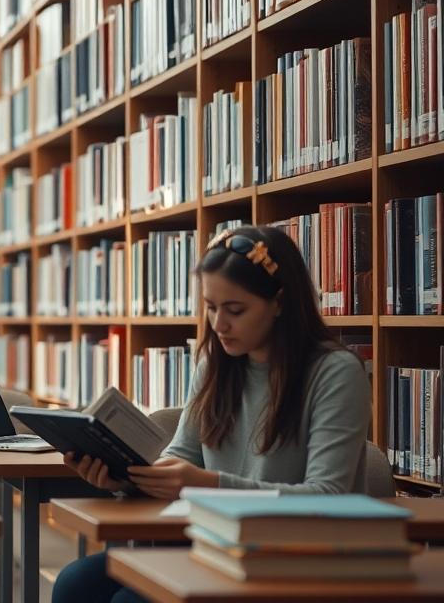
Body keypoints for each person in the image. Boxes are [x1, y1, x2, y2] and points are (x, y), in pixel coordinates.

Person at [51, 225, 371, 603]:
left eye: (235, 310)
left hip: (293, 556)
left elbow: (328, 496)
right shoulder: (215, 364)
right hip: (211, 541)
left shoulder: (335, 372)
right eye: (211, 307)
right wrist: (124, 477)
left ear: (280, 303)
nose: (219, 325)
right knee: (74, 584)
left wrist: (209, 485)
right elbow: (182, 456)